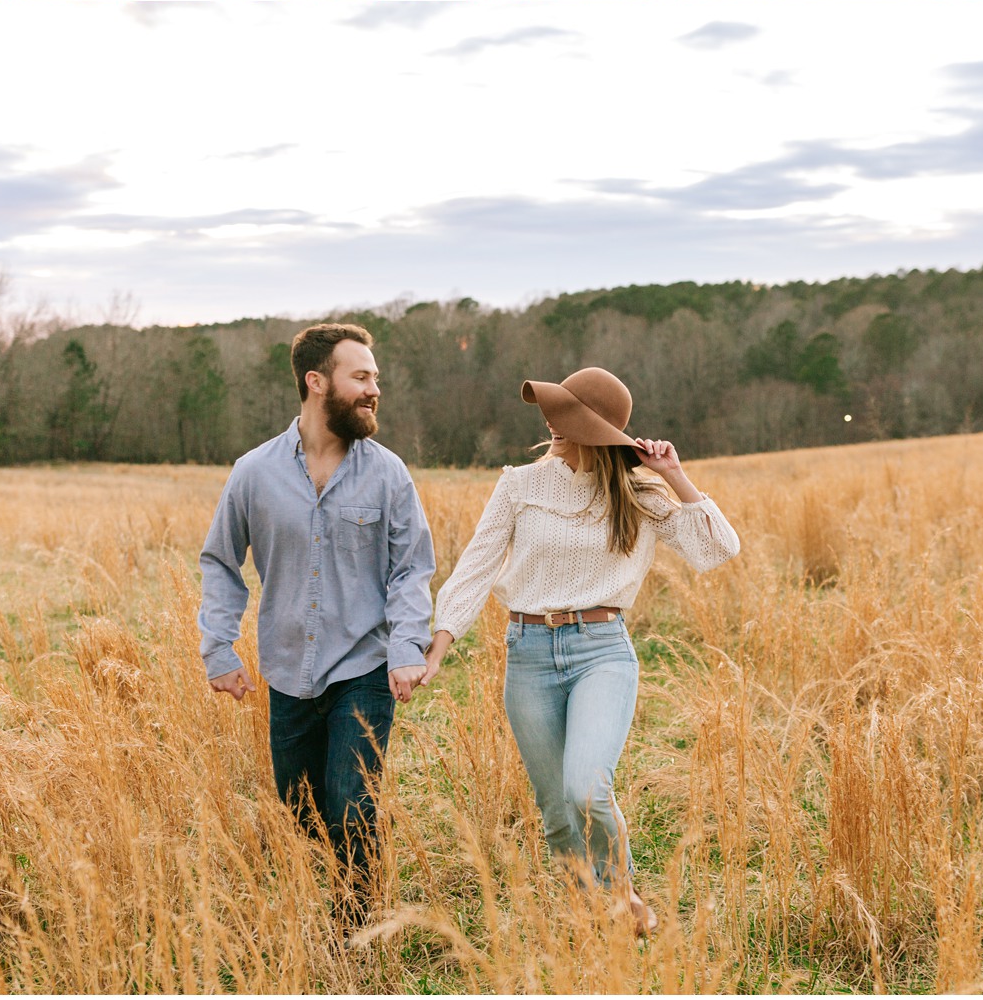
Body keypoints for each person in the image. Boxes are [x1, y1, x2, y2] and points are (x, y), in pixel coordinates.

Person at [419, 367, 740, 936]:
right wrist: (441, 643)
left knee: (586, 789)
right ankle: (595, 912)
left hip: (601, 651)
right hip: (529, 651)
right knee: (556, 813)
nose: (551, 420)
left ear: (593, 428)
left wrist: (675, 476)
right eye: (553, 408)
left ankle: (623, 895)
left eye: (566, 413)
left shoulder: (639, 491)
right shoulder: (519, 484)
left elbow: (716, 549)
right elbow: (477, 562)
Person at [199, 322, 435, 918]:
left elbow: (411, 569)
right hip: (286, 672)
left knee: (352, 805)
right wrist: (219, 650)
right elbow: (220, 560)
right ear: (316, 382)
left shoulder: (388, 473)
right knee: (301, 811)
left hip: (365, 666)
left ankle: (358, 931)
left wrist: (408, 648)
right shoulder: (253, 472)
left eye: (375, 378)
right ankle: (323, 904)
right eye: (361, 377)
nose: (374, 389)